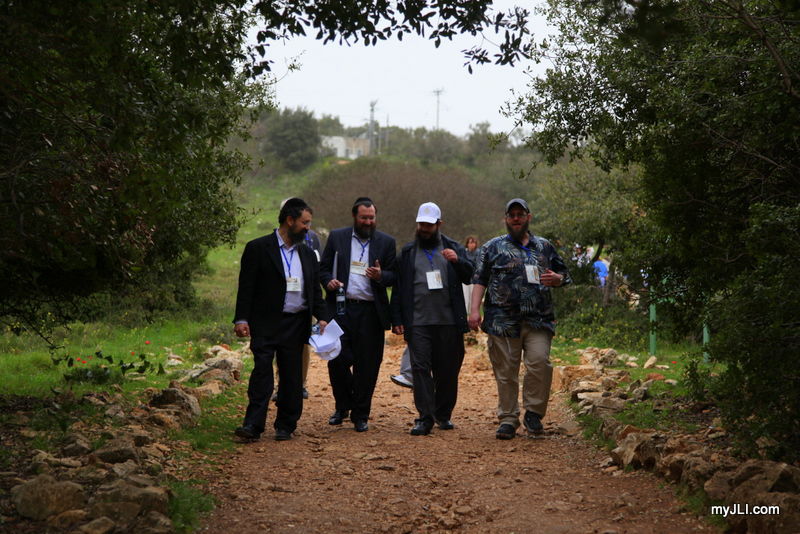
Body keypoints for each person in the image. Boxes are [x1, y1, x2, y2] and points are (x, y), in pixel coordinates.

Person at [468, 198, 571, 440]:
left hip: (539, 320)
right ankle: (508, 418)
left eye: (520, 214)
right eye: (511, 214)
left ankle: (534, 413)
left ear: (528, 217)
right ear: (505, 218)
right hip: (501, 321)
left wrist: (558, 279)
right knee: (506, 372)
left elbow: (565, 274)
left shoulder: (544, 246)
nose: (516, 218)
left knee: (539, 364)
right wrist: (474, 310)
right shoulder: (491, 248)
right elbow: (479, 279)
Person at [232, 198, 329, 442]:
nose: (308, 228)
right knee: (262, 373)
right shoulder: (258, 248)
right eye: (305, 223)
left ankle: (286, 424)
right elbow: (247, 288)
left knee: (291, 376)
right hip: (265, 322)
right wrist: (241, 318)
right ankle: (253, 425)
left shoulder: (307, 254)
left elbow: (314, 292)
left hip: (296, 324)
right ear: (290, 220)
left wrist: (324, 317)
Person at [391, 202, 474, 435]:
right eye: (421, 224)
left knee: (447, 370)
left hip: (448, 321)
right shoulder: (407, 253)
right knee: (419, 368)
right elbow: (398, 288)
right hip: (418, 321)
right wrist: (397, 318)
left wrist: (458, 261)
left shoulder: (454, 248)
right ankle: (424, 417)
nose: (424, 229)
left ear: (439, 224)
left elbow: (471, 276)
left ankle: (443, 414)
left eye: (429, 225)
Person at [319, 197, 396, 432]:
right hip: (341, 308)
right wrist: (328, 282)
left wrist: (381, 276)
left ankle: (360, 414)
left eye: (371, 217)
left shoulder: (386, 242)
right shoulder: (337, 237)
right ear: (355, 217)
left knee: (368, 364)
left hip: (371, 311)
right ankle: (343, 406)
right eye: (364, 217)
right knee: (336, 358)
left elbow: (395, 276)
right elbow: (322, 268)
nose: (368, 221)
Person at [462, 235, 481, 312]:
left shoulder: (478, 252)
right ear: (467, 244)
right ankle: (465, 315)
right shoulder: (464, 252)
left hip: (474, 279)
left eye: (473, 243)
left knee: (473, 298)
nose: (472, 244)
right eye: (470, 243)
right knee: (465, 298)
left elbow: (478, 266)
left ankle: (473, 314)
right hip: (465, 278)